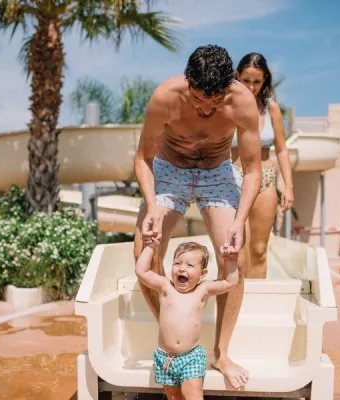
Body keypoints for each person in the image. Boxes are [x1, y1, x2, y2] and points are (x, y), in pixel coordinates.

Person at [133, 44, 262, 389]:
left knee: (234, 255)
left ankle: (221, 352)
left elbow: (251, 170)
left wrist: (238, 222)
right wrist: (150, 206)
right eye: (199, 99)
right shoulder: (165, 97)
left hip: (218, 172)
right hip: (169, 168)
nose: (206, 108)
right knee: (144, 247)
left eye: (215, 101)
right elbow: (143, 158)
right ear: (188, 81)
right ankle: (176, 341)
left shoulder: (243, 103)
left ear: (229, 86)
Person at [135, 240, 238, 400]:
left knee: (193, 394)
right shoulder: (165, 287)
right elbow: (142, 272)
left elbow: (230, 282)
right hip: (165, 358)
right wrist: (150, 247)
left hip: (191, 357)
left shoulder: (202, 290)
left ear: (202, 274)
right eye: (177, 263)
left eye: (190, 265)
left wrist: (230, 261)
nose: (182, 268)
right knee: (174, 398)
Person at [231, 53, 294, 279]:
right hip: (233, 179)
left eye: (257, 81)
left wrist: (288, 186)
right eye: (246, 80)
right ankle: (235, 306)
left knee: (258, 250)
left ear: (265, 80)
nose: (251, 86)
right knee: (237, 248)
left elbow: (282, 149)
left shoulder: (271, 109)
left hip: (266, 179)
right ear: (237, 76)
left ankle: (256, 304)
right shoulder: (226, 106)